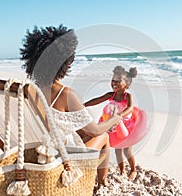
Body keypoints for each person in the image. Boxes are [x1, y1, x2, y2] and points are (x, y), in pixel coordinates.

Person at [20, 25, 122, 187]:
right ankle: (102, 182)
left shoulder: (31, 90)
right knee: (103, 136)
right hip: (63, 159)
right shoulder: (65, 94)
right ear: (65, 63)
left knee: (82, 131)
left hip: (41, 150)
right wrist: (114, 120)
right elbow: (95, 130)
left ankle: (102, 181)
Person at [84, 65, 138, 180]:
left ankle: (133, 170)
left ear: (126, 85)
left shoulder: (127, 96)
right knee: (118, 151)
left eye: (118, 81)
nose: (114, 82)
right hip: (115, 127)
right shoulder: (111, 95)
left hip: (127, 126)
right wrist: (83, 105)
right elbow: (96, 100)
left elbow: (130, 108)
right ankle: (122, 170)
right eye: (113, 80)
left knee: (127, 151)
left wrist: (118, 116)